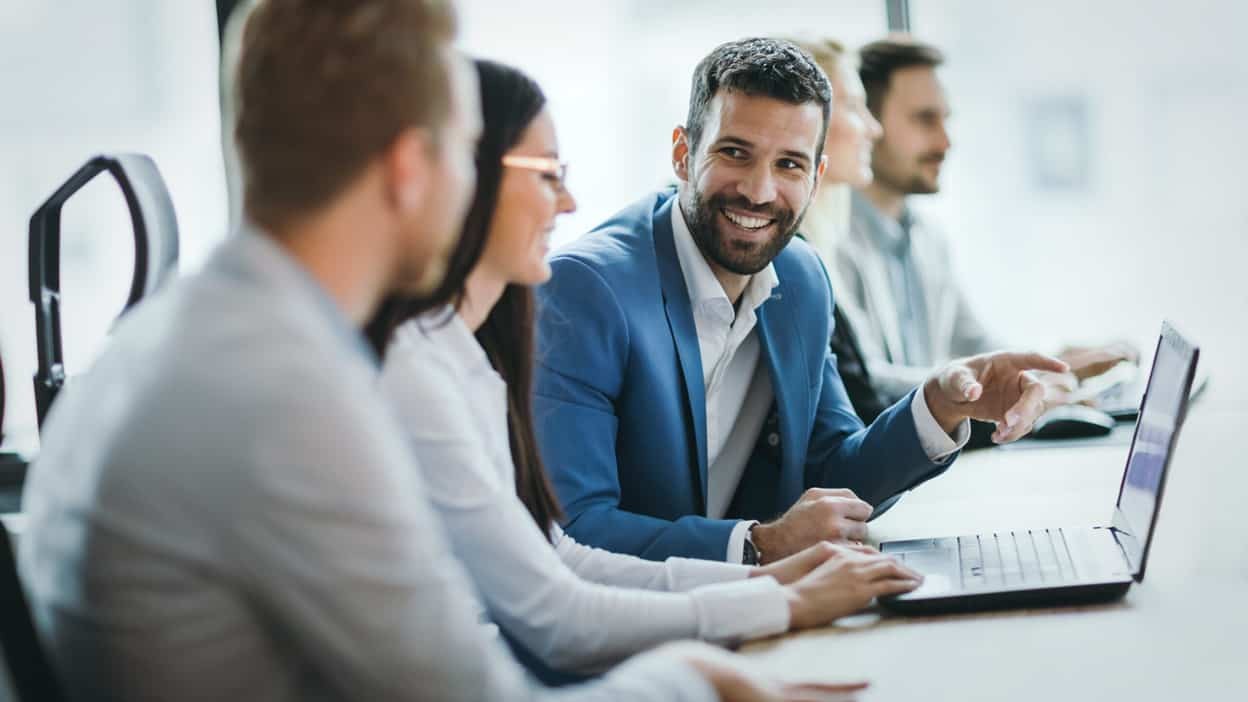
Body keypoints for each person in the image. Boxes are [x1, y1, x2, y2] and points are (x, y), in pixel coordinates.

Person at [18, 4, 841, 701]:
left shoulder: (211, 334)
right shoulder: (293, 394)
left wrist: (758, 597)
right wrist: (702, 677)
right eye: (466, 152)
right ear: (414, 166)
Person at [369, 58, 922, 682]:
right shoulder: (425, 365)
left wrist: (765, 579)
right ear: (449, 180)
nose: (570, 200)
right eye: (548, 172)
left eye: (790, 164)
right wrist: (771, 600)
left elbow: (562, 564)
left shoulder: (459, 357)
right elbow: (554, 610)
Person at [532, 37, 1069, 568]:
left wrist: (941, 404)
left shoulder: (802, 277)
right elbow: (575, 531)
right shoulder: (585, 291)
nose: (760, 191)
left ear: (816, 176)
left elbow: (837, 472)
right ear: (683, 152)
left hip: (745, 615)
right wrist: (760, 545)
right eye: (735, 153)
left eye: (789, 164)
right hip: (620, 634)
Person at [825, 35, 1136, 411]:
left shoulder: (928, 239)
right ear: (870, 122)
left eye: (945, 119)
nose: (945, 142)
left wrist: (1053, 363)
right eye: (925, 119)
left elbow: (975, 348)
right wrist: (1017, 386)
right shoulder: (828, 242)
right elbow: (866, 385)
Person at [786, 37, 894, 424]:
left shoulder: (828, 243)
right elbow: (862, 398)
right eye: (854, 106)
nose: (873, 128)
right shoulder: (790, 258)